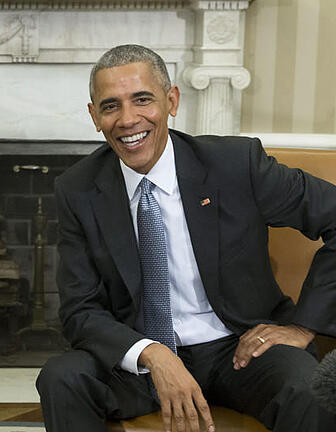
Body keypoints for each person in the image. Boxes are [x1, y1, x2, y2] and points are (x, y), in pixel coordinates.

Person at [37, 44, 336, 432]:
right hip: (142, 359)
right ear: (95, 117)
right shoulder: (77, 189)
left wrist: (302, 326)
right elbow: (80, 310)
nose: (128, 119)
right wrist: (155, 356)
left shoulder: (237, 164)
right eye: (111, 106)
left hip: (242, 348)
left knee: (309, 387)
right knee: (62, 378)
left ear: (172, 100)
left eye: (142, 100)